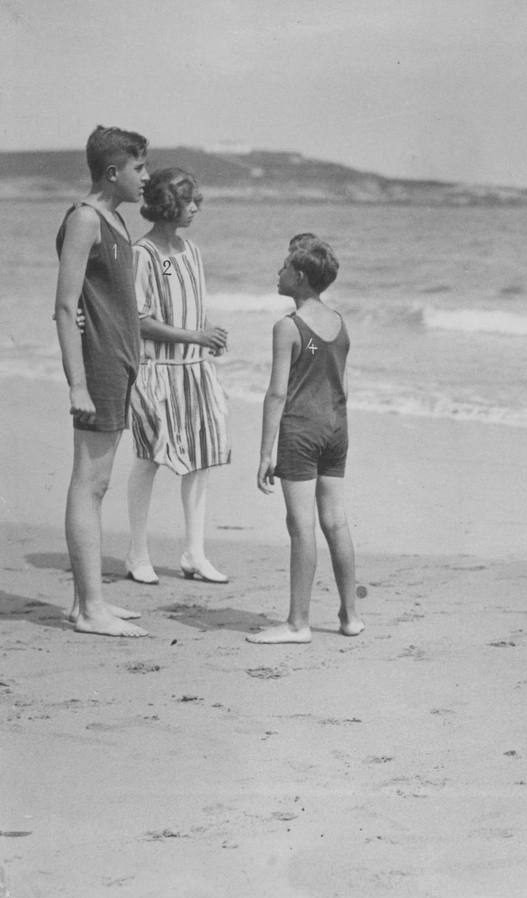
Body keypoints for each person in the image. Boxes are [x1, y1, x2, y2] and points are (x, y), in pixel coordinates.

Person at [54, 125, 149, 637]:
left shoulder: (113, 219)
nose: (146, 178)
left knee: (99, 484)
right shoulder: (87, 219)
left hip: (118, 363)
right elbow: (66, 307)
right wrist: (76, 383)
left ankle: (85, 602)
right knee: (88, 484)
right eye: (140, 168)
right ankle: (90, 608)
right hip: (98, 367)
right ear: (113, 172)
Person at [248, 239, 365, 644]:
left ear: (299, 277)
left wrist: (266, 452)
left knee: (301, 527)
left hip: (300, 431)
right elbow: (343, 385)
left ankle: (298, 623)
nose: (277, 273)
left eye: (283, 268)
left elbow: (277, 393)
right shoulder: (338, 322)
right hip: (336, 429)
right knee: (336, 522)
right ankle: (350, 615)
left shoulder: (288, 326)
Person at [124, 168, 231, 585]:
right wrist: (197, 336)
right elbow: (139, 320)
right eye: (188, 202)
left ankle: (194, 553)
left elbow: (193, 308)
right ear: (168, 204)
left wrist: (208, 340)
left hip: (194, 370)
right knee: (149, 456)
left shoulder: (192, 251)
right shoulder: (142, 253)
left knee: (201, 460)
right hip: (156, 372)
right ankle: (137, 552)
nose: (195, 209)